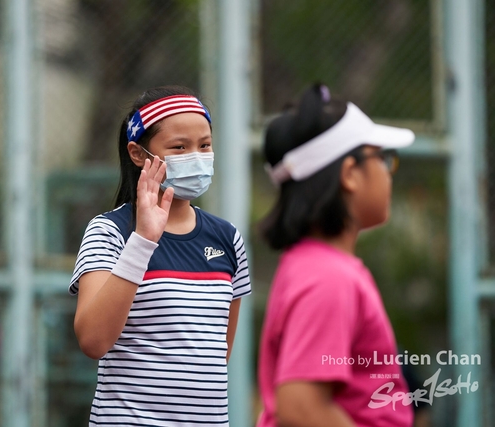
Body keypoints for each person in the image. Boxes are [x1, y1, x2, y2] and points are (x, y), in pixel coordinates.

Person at [70, 85, 252, 426]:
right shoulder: (109, 232)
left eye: (205, 145)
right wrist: (144, 240)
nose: (196, 157)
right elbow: (93, 340)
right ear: (139, 154)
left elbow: (215, 356)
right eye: (179, 147)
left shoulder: (227, 239)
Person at [257, 83, 415, 427]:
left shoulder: (318, 267)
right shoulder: (327, 277)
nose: (389, 171)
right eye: (382, 158)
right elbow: (301, 407)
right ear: (349, 174)